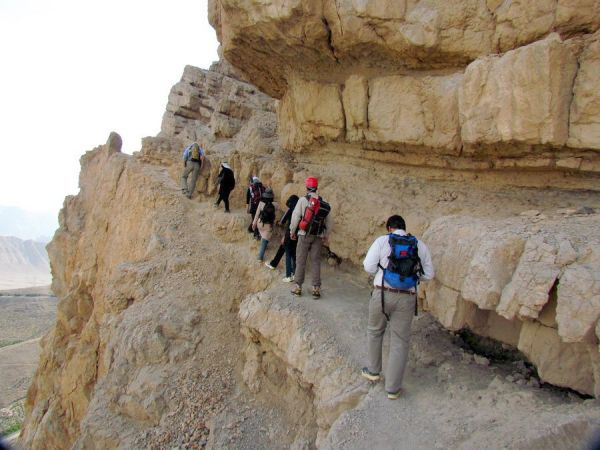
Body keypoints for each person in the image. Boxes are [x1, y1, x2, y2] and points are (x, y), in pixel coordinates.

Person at [361, 215, 434, 400]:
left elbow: (368, 266)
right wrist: (412, 280)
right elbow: (429, 274)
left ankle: (373, 371)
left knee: (375, 331)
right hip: (407, 297)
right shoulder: (419, 245)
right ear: (404, 228)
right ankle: (392, 389)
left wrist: (381, 271)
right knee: (400, 341)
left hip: (382, 293)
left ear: (389, 228)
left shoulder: (382, 241)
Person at [289, 177, 332, 299]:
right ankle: (316, 289)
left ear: (307, 187)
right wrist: (326, 236)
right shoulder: (324, 202)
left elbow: (296, 216)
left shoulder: (303, 200)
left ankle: (298, 287)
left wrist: (292, 231)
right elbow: (329, 222)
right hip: (318, 236)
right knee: (315, 262)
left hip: (304, 234)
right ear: (316, 187)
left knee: (301, 261)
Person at [265, 195, 299, 282]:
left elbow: (283, 222)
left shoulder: (291, 209)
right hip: (298, 235)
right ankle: (293, 273)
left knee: (288, 253)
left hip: (290, 234)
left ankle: (288, 275)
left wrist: (284, 234)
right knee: (291, 252)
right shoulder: (301, 209)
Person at [252, 188, 277, 261]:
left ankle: (264, 242)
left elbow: (256, 215)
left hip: (260, 223)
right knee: (266, 238)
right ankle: (260, 257)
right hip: (268, 225)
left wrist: (254, 224)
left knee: (263, 236)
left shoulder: (261, 203)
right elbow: (277, 214)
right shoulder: (275, 204)